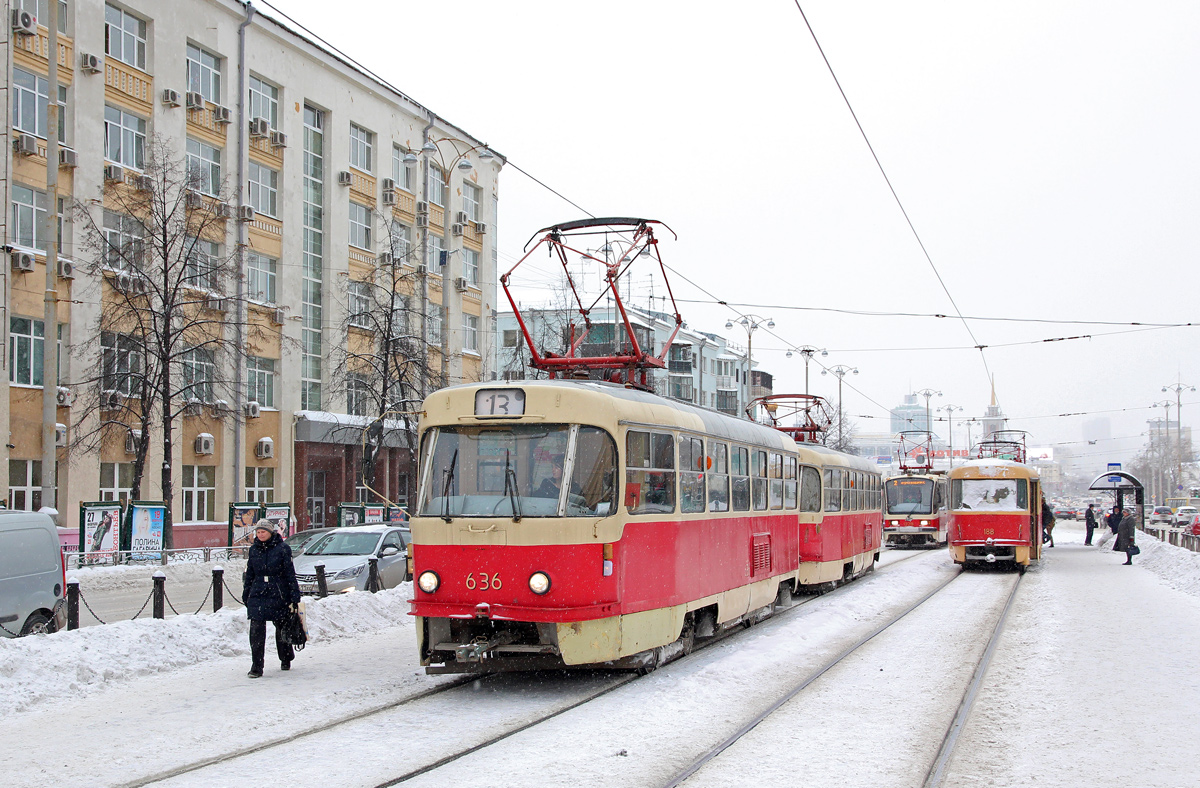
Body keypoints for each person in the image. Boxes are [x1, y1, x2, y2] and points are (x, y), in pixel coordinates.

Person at [242, 520, 301, 678]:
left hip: (277, 592)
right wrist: (246, 592)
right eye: (258, 532)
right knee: (256, 630)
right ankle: (256, 666)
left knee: (282, 626)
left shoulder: (282, 549)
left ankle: (285, 657)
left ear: (270, 532)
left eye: (263, 532)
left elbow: (289, 573)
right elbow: (250, 573)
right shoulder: (254, 550)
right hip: (258, 591)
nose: (260, 535)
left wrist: (294, 595)